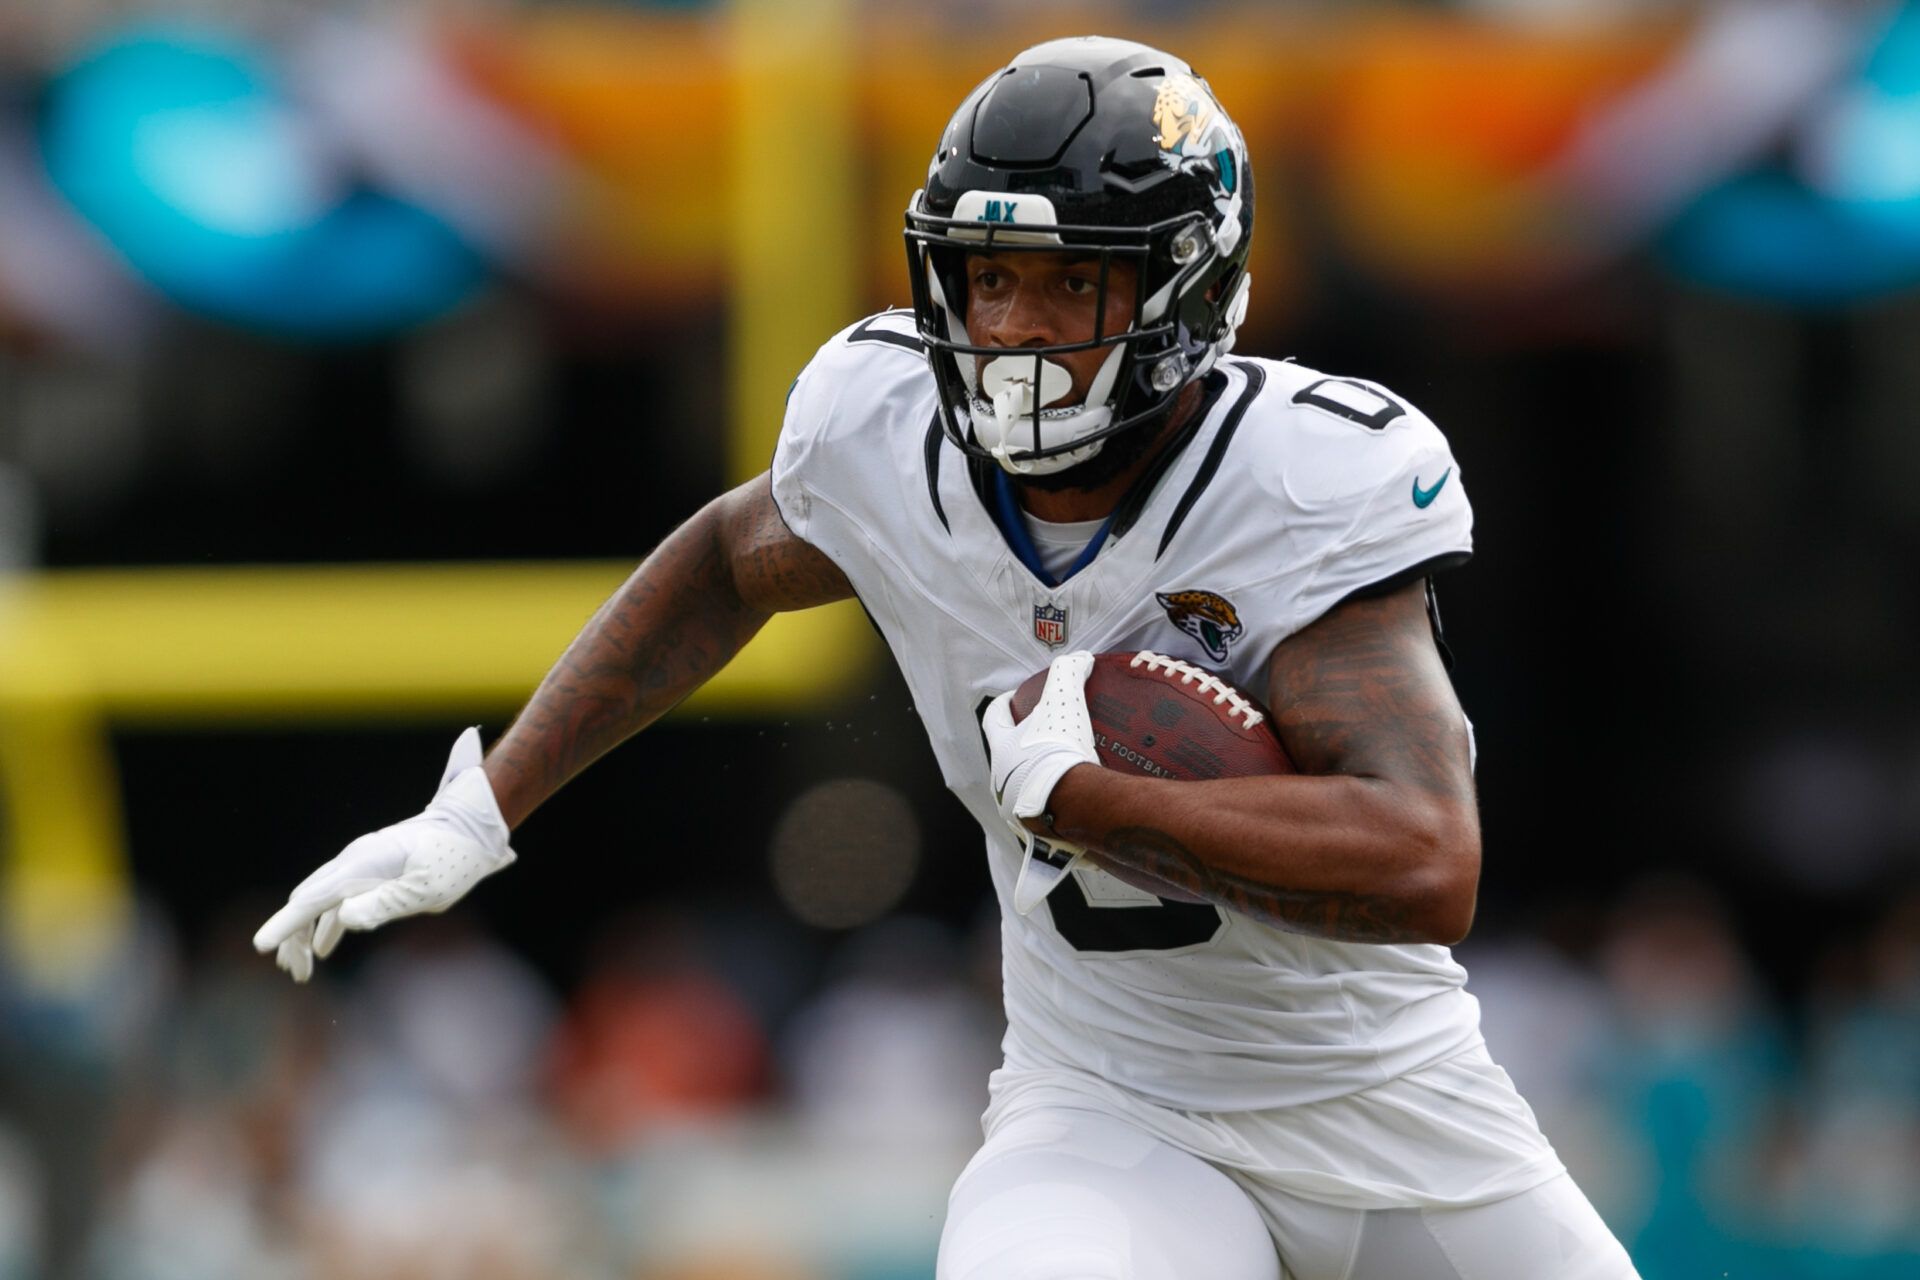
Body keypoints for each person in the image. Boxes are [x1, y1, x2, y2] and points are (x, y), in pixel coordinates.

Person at [255, 36, 1641, 1280]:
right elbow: (729, 559)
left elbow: (1424, 858)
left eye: (1068, 283)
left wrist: (1100, 803)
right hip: (1112, 1109)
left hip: (1392, 1108)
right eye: (987, 280)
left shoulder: (1300, 477)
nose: (1015, 332)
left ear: (1188, 287)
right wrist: (486, 805)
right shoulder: (883, 428)